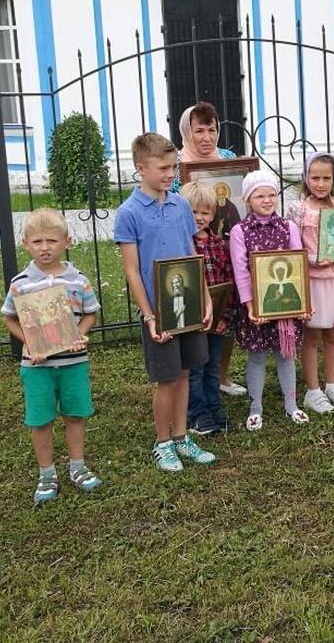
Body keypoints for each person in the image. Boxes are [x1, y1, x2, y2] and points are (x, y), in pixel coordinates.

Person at [114, 132, 216, 473]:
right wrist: (150, 316)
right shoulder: (129, 213)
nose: (171, 174)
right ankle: (163, 443)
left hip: (187, 303)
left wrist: (205, 298)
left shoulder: (180, 205)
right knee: (167, 377)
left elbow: (191, 253)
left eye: (173, 167)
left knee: (186, 372)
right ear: (140, 168)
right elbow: (132, 271)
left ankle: (182, 436)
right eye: (163, 168)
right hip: (158, 311)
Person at [0, 208, 102, 504]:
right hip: (37, 367)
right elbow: (9, 317)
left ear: (67, 241)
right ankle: (47, 474)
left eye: (52, 241)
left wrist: (79, 334)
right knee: (40, 419)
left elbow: (91, 313)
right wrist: (29, 342)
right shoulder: (21, 283)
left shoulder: (78, 280)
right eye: (37, 241)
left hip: (73, 363)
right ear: (25, 244)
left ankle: (77, 467)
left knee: (75, 415)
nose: (45, 248)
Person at [172, 101, 248, 399]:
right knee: (197, 317)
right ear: (186, 132)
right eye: (199, 130)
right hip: (193, 252)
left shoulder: (227, 158)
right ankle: (194, 379)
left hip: (226, 252)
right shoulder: (177, 166)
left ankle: (222, 375)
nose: (207, 137)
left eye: (212, 130)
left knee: (225, 313)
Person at [229, 169, 310, 431]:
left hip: (286, 306)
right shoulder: (240, 231)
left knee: (286, 355)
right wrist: (250, 305)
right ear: (248, 200)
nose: (267, 200)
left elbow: (297, 266)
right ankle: (256, 407)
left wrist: (302, 302)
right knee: (257, 356)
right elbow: (241, 270)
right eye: (259, 196)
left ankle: (291, 404)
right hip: (257, 307)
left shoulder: (289, 227)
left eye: (271, 195)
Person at [286, 152, 334, 414]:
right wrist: (314, 260)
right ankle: (313, 390)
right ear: (306, 178)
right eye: (315, 178)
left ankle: (332, 384)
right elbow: (293, 249)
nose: (320, 183)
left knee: (332, 334)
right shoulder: (299, 210)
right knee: (312, 335)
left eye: (326, 178)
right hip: (313, 282)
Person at [180, 180, 236, 435]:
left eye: (205, 212)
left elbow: (229, 282)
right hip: (192, 320)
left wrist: (225, 316)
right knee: (195, 369)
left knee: (213, 366)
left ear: (213, 215)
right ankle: (197, 415)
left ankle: (215, 408)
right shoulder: (181, 244)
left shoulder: (219, 245)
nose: (199, 217)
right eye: (193, 211)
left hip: (216, 320)